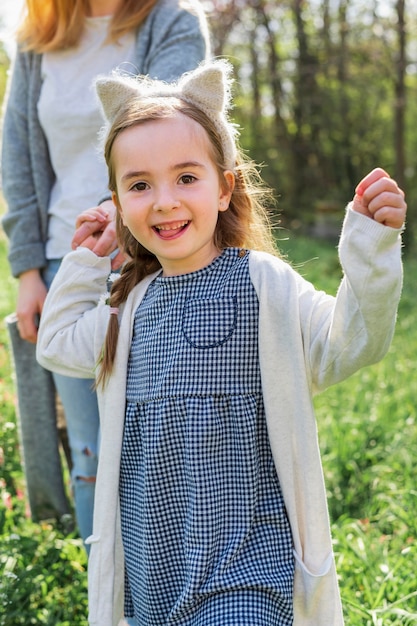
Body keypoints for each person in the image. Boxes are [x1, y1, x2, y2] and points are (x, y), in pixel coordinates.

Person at [36, 59, 406, 625]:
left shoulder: (265, 284)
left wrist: (372, 252)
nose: (164, 200)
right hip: (153, 566)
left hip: (248, 564)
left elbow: (351, 342)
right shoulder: (126, 308)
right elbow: (56, 343)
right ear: (117, 200)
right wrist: (87, 261)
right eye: (139, 185)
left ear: (224, 187)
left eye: (187, 177)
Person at [1, 0, 210, 544]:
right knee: (91, 451)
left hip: (156, 261)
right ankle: (106, 604)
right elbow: (19, 155)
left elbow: (171, 138)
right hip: (62, 262)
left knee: (162, 443)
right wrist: (27, 269)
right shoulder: (36, 40)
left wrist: (114, 220)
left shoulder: (171, 25)